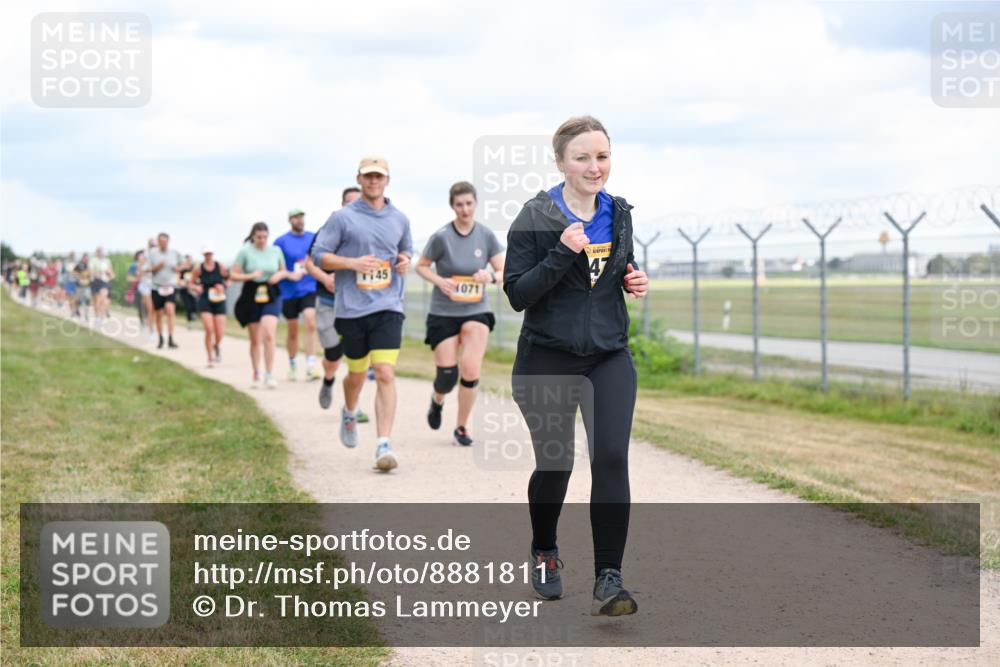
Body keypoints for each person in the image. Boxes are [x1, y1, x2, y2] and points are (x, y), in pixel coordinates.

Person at [503, 116, 648, 616]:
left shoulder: (619, 212)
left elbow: (610, 268)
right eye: (583, 157)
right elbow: (518, 293)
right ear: (561, 161)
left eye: (602, 156)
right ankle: (545, 549)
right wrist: (562, 252)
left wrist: (630, 279)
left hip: (608, 355)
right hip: (546, 358)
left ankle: (610, 577)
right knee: (557, 463)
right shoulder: (535, 217)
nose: (595, 167)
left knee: (610, 457)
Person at [311, 156, 413, 472]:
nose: (373, 181)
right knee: (356, 374)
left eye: (379, 176)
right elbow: (319, 255)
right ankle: (350, 411)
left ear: (387, 181)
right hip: (352, 309)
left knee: (384, 372)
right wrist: (351, 263)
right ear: (359, 179)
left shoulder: (400, 218)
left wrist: (405, 260)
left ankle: (384, 443)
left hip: (388, 306)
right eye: (368, 176)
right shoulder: (342, 218)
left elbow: (407, 249)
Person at [416, 181, 504, 447]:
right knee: (446, 376)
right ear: (452, 206)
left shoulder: (486, 236)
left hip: (476, 309)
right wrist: (439, 281)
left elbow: (503, 272)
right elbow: (421, 266)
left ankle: (462, 427)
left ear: (475, 203)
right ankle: (438, 399)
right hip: (443, 311)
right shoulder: (442, 236)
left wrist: (489, 275)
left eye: (468, 203)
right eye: (459, 204)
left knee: (470, 367)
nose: (464, 209)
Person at [305, 187, 369, 423]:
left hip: (358, 303)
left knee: (359, 358)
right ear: (342, 205)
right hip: (329, 300)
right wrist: (326, 278)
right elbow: (309, 263)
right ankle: (329, 380)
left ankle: (354, 405)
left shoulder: (368, 232)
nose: (353, 207)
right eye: (349, 203)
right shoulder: (328, 229)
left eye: (357, 202)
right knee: (333, 354)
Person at [230, 222, 292, 389]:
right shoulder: (245, 251)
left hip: (271, 292)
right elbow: (233, 274)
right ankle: (256, 372)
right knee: (255, 339)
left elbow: (284, 270)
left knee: (269, 333)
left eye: (265, 237)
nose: (262, 240)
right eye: (258, 237)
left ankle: (270, 374)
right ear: (253, 236)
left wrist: (278, 276)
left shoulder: (275, 251)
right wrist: (250, 275)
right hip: (251, 292)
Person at [275, 208, 321, 381]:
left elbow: (320, 257)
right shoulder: (281, 242)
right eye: (296, 218)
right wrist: (288, 273)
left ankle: (310, 365)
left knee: (310, 321)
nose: (300, 220)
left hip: (309, 287)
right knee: (293, 330)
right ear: (290, 220)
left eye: (302, 217)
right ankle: (293, 364)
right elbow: (275, 265)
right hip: (288, 291)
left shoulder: (312, 237)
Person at [191, 246, 229, 368]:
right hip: (205, 299)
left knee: (219, 332)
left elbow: (229, 279)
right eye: (206, 254)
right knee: (209, 329)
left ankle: (216, 345)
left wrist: (223, 286)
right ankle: (210, 357)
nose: (208, 256)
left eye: (210, 253)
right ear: (203, 254)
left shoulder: (220, 266)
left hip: (219, 299)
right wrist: (196, 287)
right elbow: (191, 282)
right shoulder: (199, 268)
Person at [148, 233, 181, 349]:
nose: (163, 244)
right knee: (159, 314)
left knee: (170, 310)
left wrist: (176, 269)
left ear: (168, 241)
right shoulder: (152, 254)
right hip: (157, 287)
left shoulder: (174, 253)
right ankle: (161, 337)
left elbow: (179, 268)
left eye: (165, 241)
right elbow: (147, 269)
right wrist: (158, 266)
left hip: (170, 286)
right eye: (161, 241)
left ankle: (171, 338)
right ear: (158, 242)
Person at [90, 246, 115, 326]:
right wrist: (98, 273)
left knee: (103, 299)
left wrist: (111, 275)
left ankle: (101, 317)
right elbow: (91, 271)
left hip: (104, 282)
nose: (101, 253)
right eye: (99, 251)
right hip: (95, 281)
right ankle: (97, 316)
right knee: (97, 300)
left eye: (102, 251)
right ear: (97, 252)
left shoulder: (107, 260)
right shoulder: (93, 260)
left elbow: (110, 271)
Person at [177, 254, 198, 330]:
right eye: (188, 260)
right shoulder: (182, 269)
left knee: (194, 305)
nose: (189, 261)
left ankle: (194, 315)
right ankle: (189, 323)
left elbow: (197, 279)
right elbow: (178, 279)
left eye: (190, 260)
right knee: (188, 306)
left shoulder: (194, 268)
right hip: (184, 290)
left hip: (192, 290)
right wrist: (183, 282)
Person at [73, 253, 92, 320]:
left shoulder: (90, 265)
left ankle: (86, 315)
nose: (86, 259)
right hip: (80, 285)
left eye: (87, 258)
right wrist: (79, 277)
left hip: (87, 285)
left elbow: (91, 274)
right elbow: (74, 273)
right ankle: (76, 310)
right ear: (82, 258)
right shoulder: (79, 265)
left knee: (88, 300)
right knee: (79, 300)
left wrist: (89, 275)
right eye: (85, 258)